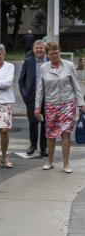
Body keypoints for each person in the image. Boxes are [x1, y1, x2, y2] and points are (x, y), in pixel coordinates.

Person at [34, 42, 85, 173]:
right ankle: (49, 161)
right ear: (47, 55)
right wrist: (37, 107)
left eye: (57, 52)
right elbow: (40, 90)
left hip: (68, 103)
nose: (55, 55)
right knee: (50, 135)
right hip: (51, 104)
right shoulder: (44, 68)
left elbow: (76, 85)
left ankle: (66, 163)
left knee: (65, 133)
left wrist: (81, 103)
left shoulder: (69, 65)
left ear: (59, 51)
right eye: (52, 54)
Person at [19, 40, 48, 157]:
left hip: (48, 98)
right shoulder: (28, 62)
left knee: (45, 123)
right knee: (32, 123)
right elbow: (21, 80)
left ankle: (44, 147)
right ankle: (33, 144)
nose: (39, 50)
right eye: (36, 48)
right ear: (33, 49)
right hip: (32, 98)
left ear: (45, 49)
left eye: (41, 48)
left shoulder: (50, 61)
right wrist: (25, 95)